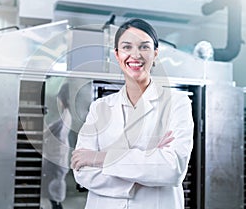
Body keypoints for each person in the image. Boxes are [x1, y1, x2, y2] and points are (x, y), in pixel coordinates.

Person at [70, 18, 194, 209]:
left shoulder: (177, 104)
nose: (135, 55)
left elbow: (172, 169)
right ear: (117, 55)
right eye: (127, 47)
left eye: (144, 47)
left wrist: (100, 158)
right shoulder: (100, 108)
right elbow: (82, 171)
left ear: (155, 54)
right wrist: (147, 163)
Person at [43, 83, 72, 209]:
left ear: (61, 99)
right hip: (57, 162)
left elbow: (55, 136)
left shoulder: (65, 117)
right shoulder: (65, 116)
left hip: (56, 162)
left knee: (54, 200)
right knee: (53, 198)